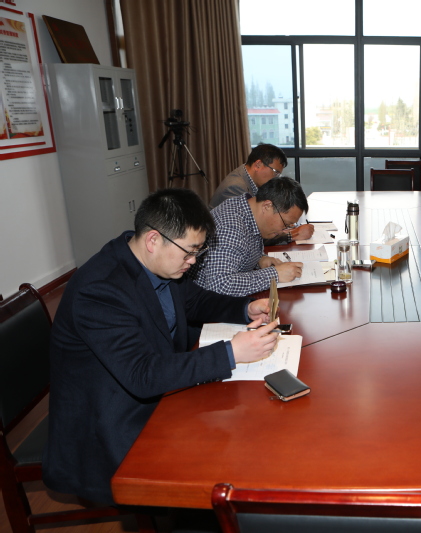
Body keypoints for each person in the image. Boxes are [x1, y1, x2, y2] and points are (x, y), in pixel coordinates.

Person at [43, 189, 281, 504]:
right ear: (153, 240)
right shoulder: (100, 290)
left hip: (154, 393)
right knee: (228, 454)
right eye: (190, 252)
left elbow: (194, 301)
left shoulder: (155, 262)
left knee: (246, 424)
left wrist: (244, 309)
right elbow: (143, 375)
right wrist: (231, 353)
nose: (193, 261)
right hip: (109, 421)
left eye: (198, 251)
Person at [190, 177, 308, 297]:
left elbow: (239, 250)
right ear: (267, 206)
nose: (285, 230)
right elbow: (219, 285)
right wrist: (275, 274)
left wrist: (260, 259)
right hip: (202, 302)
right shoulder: (230, 226)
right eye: (286, 224)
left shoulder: (248, 209)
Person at [210, 143, 313, 243]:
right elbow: (251, 234)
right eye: (275, 172)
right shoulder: (235, 187)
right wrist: (292, 235)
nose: (276, 178)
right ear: (258, 165)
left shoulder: (251, 180)